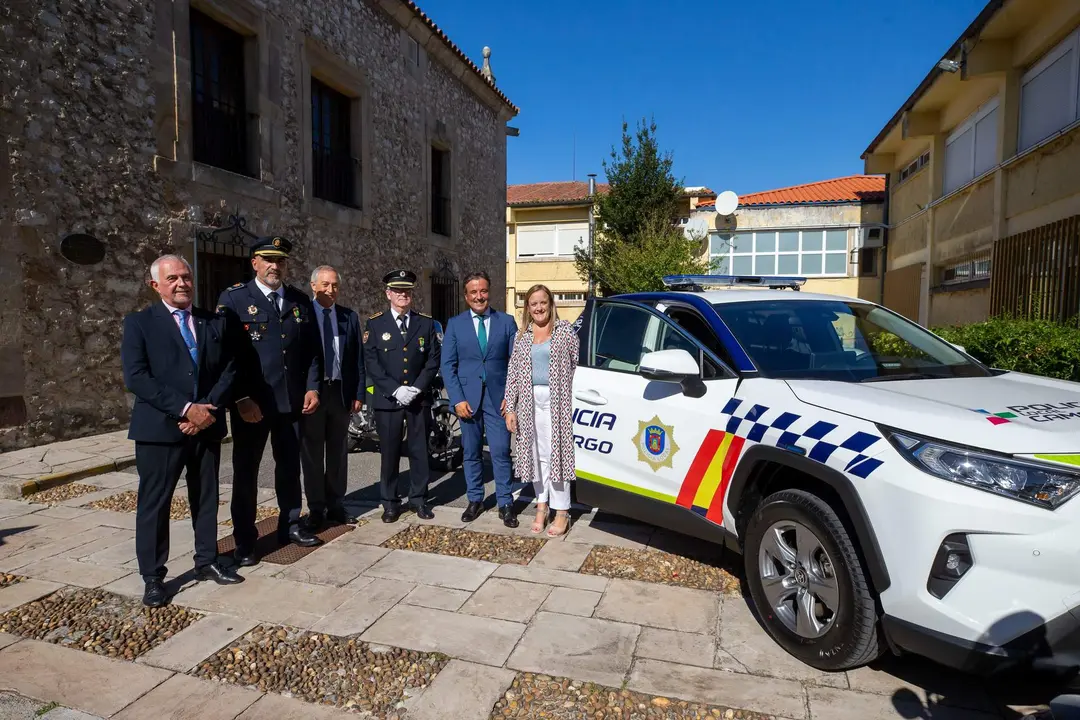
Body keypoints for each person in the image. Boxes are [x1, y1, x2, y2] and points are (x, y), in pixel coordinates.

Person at [121, 254, 244, 608]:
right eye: (172, 278)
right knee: (155, 505)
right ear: (155, 285)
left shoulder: (211, 322)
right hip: (160, 430)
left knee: (205, 498)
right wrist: (186, 409)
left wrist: (207, 409)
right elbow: (137, 378)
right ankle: (153, 577)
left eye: (186, 277)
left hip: (206, 426)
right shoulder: (140, 324)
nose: (182, 284)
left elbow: (230, 368)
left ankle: (206, 561)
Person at [216, 235, 323, 566]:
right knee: (246, 473)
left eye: (281, 261)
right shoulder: (234, 299)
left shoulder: (299, 301)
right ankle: (245, 539)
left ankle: (290, 526)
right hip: (253, 406)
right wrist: (241, 398)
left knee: (290, 469)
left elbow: (312, 352)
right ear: (255, 263)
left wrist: (312, 387)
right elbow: (223, 355)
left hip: (291, 403)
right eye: (268, 260)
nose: (275, 266)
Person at [440, 271, 519, 527]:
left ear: (489, 292)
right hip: (468, 400)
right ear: (466, 296)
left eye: (483, 291)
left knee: (500, 451)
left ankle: (505, 502)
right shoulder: (455, 324)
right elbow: (448, 365)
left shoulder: (506, 322)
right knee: (471, 452)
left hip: (499, 400)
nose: (479, 296)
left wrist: (511, 397)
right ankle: (475, 499)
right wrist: (457, 400)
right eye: (473, 292)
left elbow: (515, 365)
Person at [363, 270, 440, 523]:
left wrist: (416, 388)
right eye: (397, 291)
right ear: (388, 294)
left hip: (418, 399)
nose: (403, 295)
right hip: (388, 400)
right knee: (390, 452)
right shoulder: (375, 324)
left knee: (419, 452)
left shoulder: (426, 323)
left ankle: (419, 499)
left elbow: (432, 360)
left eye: (407, 290)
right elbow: (371, 362)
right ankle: (390, 502)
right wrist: (396, 390)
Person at [504, 285, 579, 537]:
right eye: (533, 304)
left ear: (551, 304)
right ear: (528, 308)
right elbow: (513, 373)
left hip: (557, 401)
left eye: (543, 303)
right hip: (528, 401)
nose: (538, 308)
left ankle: (561, 511)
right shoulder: (522, 336)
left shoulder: (565, 332)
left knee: (555, 454)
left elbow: (577, 365)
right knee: (535, 455)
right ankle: (541, 505)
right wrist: (510, 407)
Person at [299, 265, 364, 530]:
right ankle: (316, 508)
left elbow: (356, 358)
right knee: (312, 453)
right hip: (313, 393)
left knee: (338, 452)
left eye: (335, 285)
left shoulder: (348, 317)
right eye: (325, 284)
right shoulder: (303, 316)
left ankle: (336, 504)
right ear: (313, 286)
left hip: (339, 392)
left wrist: (358, 393)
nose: (331, 290)